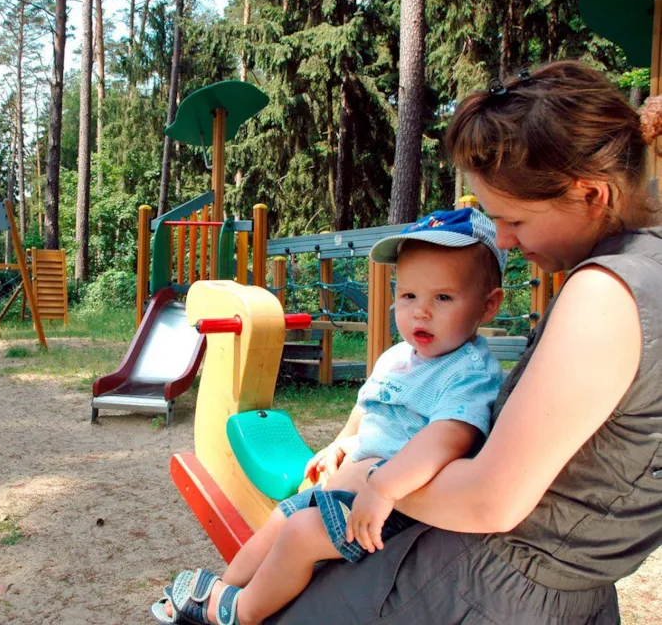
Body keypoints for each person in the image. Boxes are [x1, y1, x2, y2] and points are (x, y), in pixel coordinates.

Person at [258, 61, 662, 624]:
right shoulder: (649, 268)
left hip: (481, 588)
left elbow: (491, 498)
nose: (503, 239)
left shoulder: (605, 294)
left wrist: (369, 473)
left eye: (514, 219)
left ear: (590, 194)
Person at [152, 206, 510, 625]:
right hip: (354, 488)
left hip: (393, 510)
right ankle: (224, 590)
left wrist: (385, 486)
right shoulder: (398, 357)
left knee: (301, 534)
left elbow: (450, 437)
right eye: (408, 295)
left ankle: (242, 612)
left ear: (488, 306)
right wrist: (342, 443)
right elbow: (367, 412)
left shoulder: (469, 371)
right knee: (281, 518)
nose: (421, 311)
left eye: (443, 297)